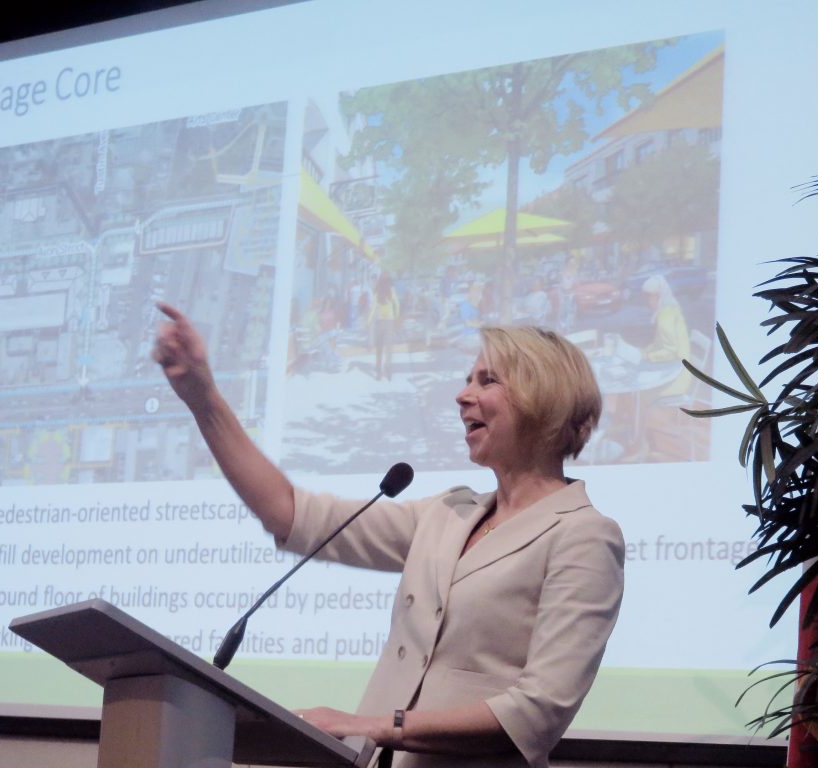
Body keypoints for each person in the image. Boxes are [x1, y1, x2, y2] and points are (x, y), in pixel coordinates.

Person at [152, 303, 624, 768]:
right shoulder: (448, 513)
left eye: (487, 380)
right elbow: (289, 513)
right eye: (466, 378)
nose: (462, 396)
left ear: (543, 397)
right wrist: (202, 396)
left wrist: (376, 726)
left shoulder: (583, 536)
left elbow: (536, 714)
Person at [369, 272, 401, 380]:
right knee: (389, 348)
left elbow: (373, 307)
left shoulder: (377, 290)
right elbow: (397, 304)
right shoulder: (391, 290)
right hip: (389, 322)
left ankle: (378, 372)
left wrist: (369, 321)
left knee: (379, 348)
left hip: (379, 322)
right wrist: (396, 315)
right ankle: (388, 369)